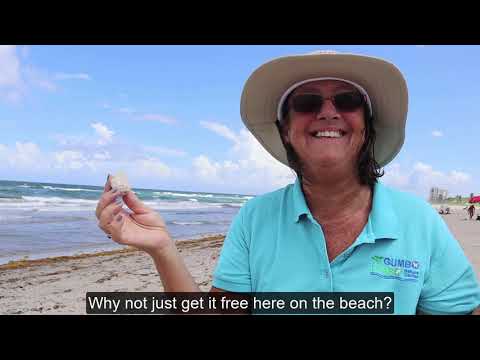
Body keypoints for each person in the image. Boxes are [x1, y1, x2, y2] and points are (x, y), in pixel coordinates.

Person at [95, 50, 480, 315]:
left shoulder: (419, 220)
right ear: (285, 131)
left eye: (346, 100)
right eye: (307, 103)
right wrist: (163, 248)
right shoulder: (255, 217)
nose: (328, 113)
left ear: (367, 127)